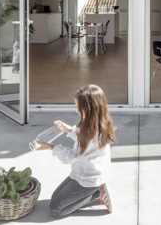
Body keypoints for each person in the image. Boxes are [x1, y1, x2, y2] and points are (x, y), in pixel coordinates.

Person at [36, 84, 115, 217]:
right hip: (84, 172)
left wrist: (51, 147)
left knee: (56, 209)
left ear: (88, 109)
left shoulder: (91, 134)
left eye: (79, 108)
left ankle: (97, 194)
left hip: (89, 179)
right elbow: (82, 136)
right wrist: (68, 129)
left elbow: (71, 157)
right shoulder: (98, 123)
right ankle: (95, 191)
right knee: (55, 197)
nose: (77, 110)